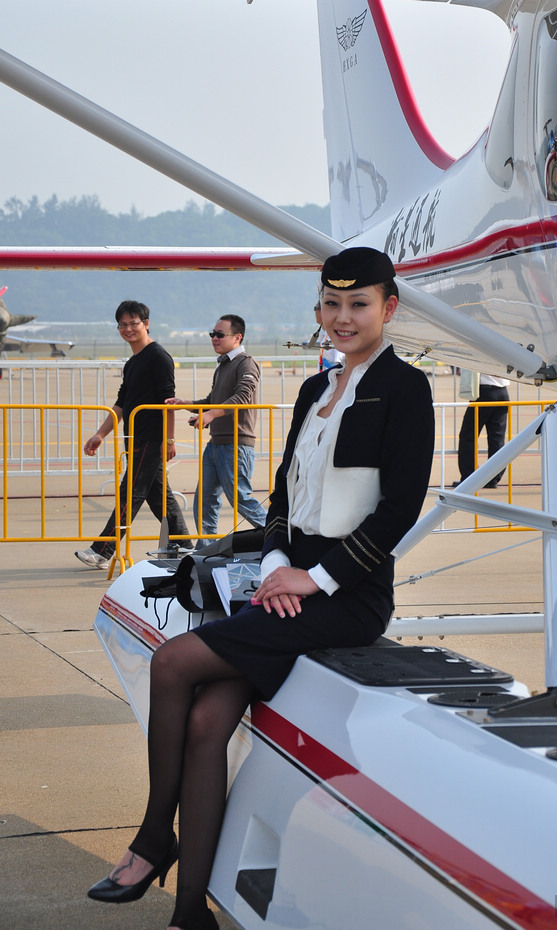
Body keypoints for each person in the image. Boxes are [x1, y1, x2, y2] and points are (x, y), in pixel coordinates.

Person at [85, 248, 436, 930]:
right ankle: (190, 912)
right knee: (206, 722)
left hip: (349, 594)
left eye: (358, 304)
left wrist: (315, 578)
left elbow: (397, 511)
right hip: (286, 584)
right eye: (331, 304)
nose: (342, 317)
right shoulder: (314, 390)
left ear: (389, 308)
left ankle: (155, 838)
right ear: (318, 309)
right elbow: (279, 498)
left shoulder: (405, 389)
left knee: (173, 663)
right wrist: (278, 565)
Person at [75, 300, 192, 570]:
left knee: (131, 493)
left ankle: (102, 550)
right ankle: (185, 548)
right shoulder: (133, 362)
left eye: (133, 323)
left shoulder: (158, 357)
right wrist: (100, 434)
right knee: (160, 498)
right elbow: (121, 403)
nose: (128, 329)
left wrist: (169, 440)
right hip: (135, 438)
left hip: (152, 438)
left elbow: (168, 402)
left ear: (146, 324)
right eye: (123, 325)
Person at [166, 315, 267, 548]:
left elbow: (242, 397)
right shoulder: (223, 364)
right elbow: (213, 401)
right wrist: (185, 403)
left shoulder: (246, 363)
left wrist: (210, 415)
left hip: (236, 445)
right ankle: (207, 549)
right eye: (212, 334)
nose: (214, 338)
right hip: (216, 444)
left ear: (237, 337)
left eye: (220, 334)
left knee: (240, 498)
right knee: (205, 501)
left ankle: (278, 535)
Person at [454, 373, 510, 488]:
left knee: (468, 436)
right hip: (502, 391)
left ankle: (469, 477)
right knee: (497, 438)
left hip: (484, 391)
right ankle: (493, 478)